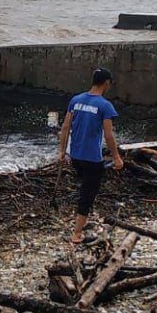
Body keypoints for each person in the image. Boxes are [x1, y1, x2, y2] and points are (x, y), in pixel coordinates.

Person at [57, 67, 124, 244]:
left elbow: (65, 127)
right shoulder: (105, 105)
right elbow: (109, 135)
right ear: (107, 83)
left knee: (86, 189)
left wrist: (62, 151)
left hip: (76, 155)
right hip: (92, 158)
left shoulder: (76, 100)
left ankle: (83, 219)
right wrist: (116, 157)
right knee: (87, 194)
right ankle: (77, 233)